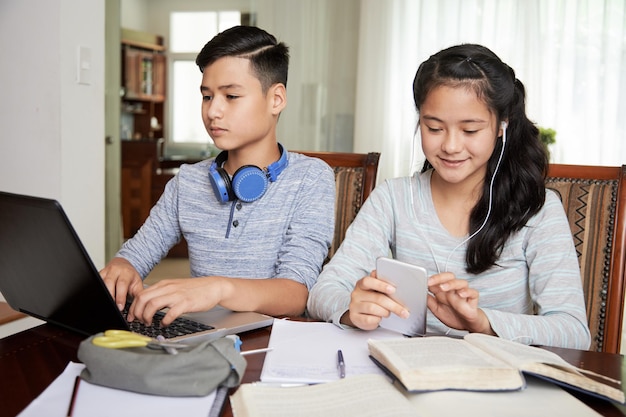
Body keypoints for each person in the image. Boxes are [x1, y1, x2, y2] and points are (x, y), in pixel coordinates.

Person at [307, 43, 591, 349]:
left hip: (497, 382)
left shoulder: (538, 210)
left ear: (501, 126)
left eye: (470, 130)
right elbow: (322, 292)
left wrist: (481, 322)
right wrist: (352, 311)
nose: (451, 146)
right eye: (434, 128)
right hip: (405, 373)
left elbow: (573, 331)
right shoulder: (394, 198)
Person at [101, 26, 335, 326]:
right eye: (207, 96)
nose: (213, 111)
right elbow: (137, 252)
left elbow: (296, 293)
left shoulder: (311, 179)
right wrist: (123, 265)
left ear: (276, 99)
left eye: (231, 96)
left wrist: (218, 288)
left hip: (272, 344)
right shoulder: (187, 181)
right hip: (200, 341)